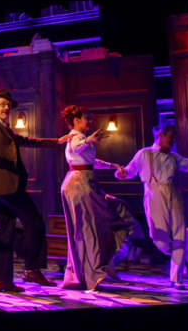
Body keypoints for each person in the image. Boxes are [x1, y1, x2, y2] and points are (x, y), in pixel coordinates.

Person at [0, 89, 70, 293]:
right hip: (3, 186)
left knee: (5, 231)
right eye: (2, 104)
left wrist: (57, 142)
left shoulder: (6, 128)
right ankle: (32, 268)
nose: (7, 107)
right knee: (34, 222)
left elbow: (27, 141)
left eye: (8, 105)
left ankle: (1, 281)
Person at [115, 125, 188, 289]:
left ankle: (177, 279)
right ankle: (175, 252)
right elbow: (129, 171)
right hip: (153, 194)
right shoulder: (144, 154)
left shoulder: (174, 157)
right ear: (160, 135)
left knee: (180, 233)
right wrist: (121, 173)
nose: (173, 141)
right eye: (170, 137)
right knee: (157, 236)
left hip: (173, 194)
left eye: (174, 137)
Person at [59, 105, 138, 291]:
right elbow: (78, 148)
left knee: (95, 225)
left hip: (85, 183)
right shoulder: (74, 138)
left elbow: (91, 161)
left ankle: (95, 270)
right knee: (87, 229)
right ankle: (91, 274)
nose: (89, 121)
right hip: (78, 185)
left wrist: (112, 165)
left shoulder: (80, 139)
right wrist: (88, 140)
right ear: (77, 121)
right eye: (86, 118)